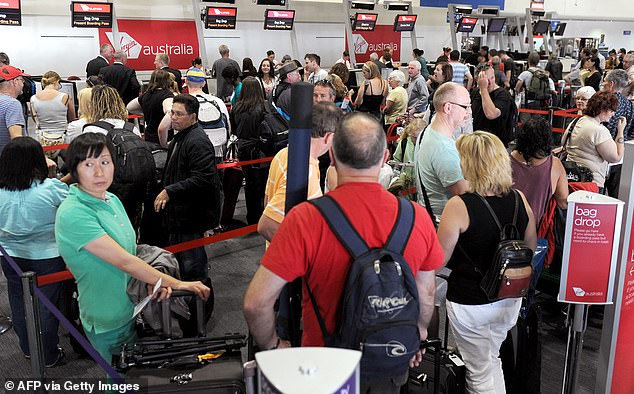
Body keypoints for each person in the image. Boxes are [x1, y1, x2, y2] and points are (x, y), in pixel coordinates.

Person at [244, 113, 443, 392]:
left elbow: (256, 303)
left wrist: (273, 345)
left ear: (333, 158)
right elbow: (427, 293)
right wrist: (418, 334)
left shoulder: (307, 219)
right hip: (388, 359)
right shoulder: (416, 217)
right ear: (385, 157)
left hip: (325, 365)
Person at [56, 132, 210, 363]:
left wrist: (153, 280)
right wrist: (177, 283)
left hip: (132, 308)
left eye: (105, 162)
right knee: (119, 381)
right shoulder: (73, 213)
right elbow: (124, 261)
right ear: (74, 170)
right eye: (88, 164)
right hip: (108, 315)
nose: (99, 172)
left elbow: (132, 250)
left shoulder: (110, 198)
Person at [437, 131, 536, 394]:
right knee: (490, 358)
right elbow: (531, 247)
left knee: (478, 371)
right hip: (509, 298)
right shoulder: (519, 199)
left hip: (471, 302)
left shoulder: (459, 206)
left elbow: (438, 258)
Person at [0, 137, 69, 367]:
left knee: (18, 301)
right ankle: (47, 354)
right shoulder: (50, 188)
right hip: (48, 255)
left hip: (10, 255)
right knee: (46, 306)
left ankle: (28, 349)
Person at [153, 94, 220, 281]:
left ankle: (199, 306)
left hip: (191, 215)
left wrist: (170, 191)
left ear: (193, 117)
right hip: (180, 213)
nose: (173, 117)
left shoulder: (197, 141)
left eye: (179, 114)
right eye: (172, 113)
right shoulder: (181, 137)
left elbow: (203, 178)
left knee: (193, 267)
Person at [257, 102, 342, 242]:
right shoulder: (306, 172)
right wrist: (301, 253)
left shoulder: (284, 153)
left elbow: (268, 202)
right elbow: (266, 225)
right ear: (328, 137)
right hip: (288, 262)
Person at [414, 82, 470, 219]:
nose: (468, 113)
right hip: (442, 223)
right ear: (448, 108)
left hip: (430, 216)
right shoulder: (443, 147)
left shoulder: (428, 131)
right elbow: (465, 193)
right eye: (465, 107)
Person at [159, 67, 230, 162]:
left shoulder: (181, 102)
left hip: (188, 153)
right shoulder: (218, 101)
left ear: (186, 82)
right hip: (216, 153)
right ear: (204, 83)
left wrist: (166, 145)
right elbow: (228, 127)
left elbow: (162, 128)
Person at [562, 91, 625, 193]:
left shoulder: (576, 121)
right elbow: (616, 157)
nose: (613, 114)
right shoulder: (599, 131)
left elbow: (563, 143)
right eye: (612, 110)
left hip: (570, 177)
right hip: (591, 183)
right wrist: (620, 131)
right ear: (604, 109)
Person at [511, 117, 569, 225]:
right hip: (534, 229)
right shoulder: (554, 165)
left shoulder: (503, 159)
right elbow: (563, 202)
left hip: (503, 226)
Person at [231, 77, 268, 225]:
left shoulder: (236, 108)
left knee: (250, 185)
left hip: (243, 149)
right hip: (260, 150)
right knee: (263, 184)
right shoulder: (263, 108)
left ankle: (252, 217)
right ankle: (264, 215)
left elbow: (233, 130)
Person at [29, 71, 76, 152]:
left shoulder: (33, 99)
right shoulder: (64, 97)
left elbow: (35, 119)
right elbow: (72, 118)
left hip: (42, 140)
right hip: (62, 140)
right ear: (57, 81)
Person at [127, 69, 174, 150]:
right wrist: (165, 144)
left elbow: (129, 107)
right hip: (162, 141)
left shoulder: (146, 95)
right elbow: (169, 111)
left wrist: (145, 112)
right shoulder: (167, 95)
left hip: (148, 139)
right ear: (167, 81)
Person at [471, 64, 514, 147]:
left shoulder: (503, 95)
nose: (490, 82)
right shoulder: (475, 92)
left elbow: (491, 114)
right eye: (486, 80)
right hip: (477, 142)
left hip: (495, 145)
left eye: (492, 77)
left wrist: (483, 89)